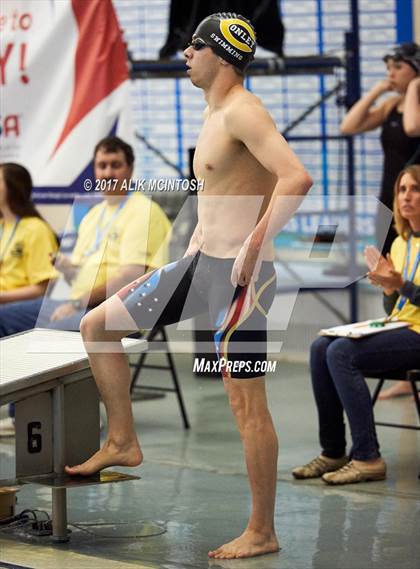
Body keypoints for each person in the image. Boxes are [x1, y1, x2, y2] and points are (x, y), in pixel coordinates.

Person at [64, 12, 313, 561]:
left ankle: (262, 530)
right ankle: (123, 441)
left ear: (220, 56)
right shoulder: (214, 111)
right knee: (98, 325)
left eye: (192, 46)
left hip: (245, 278)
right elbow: (225, 189)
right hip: (202, 267)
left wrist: (253, 246)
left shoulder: (244, 111)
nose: (184, 54)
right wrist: (196, 240)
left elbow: (296, 177)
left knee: (245, 404)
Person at [0, 136, 171, 436]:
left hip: (123, 309)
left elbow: (130, 276)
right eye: (101, 165)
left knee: (47, 329)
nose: (107, 173)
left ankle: (63, 413)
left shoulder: (143, 211)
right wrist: (66, 269)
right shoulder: (93, 215)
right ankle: (22, 409)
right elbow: (78, 277)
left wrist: (77, 303)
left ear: (130, 169)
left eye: (115, 165)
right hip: (82, 302)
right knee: (6, 317)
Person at [292, 164, 420, 485]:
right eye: (402, 190)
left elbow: (408, 290)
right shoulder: (401, 243)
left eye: (415, 189)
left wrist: (400, 283)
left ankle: (368, 457)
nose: (407, 196)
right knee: (321, 347)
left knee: (341, 353)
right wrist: (390, 288)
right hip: (401, 326)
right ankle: (333, 451)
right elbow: (395, 306)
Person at [340, 42, 420, 256]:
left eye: (397, 67)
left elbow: (412, 127)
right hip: (389, 197)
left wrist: (414, 87)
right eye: (388, 69)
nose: (391, 74)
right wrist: (377, 91)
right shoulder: (391, 105)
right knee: (385, 263)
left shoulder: (414, 107)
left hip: (415, 199)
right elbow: (348, 126)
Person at [0, 163, 58, 305]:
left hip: (16, 306)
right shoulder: (2, 225)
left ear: (13, 188)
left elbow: (43, 288)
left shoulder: (36, 229)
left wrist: (2, 297)